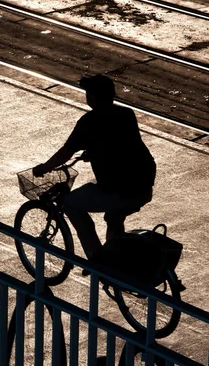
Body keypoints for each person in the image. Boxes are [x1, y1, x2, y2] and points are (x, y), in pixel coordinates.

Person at [33, 75, 156, 264]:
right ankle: (117, 261)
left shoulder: (88, 122)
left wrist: (44, 167)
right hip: (143, 186)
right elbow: (119, 145)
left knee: (71, 204)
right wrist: (93, 152)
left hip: (119, 189)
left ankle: (97, 258)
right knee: (114, 218)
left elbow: (66, 152)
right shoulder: (127, 114)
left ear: (92, 97)